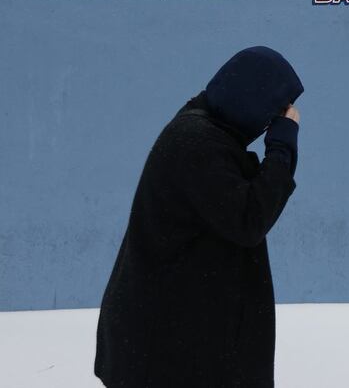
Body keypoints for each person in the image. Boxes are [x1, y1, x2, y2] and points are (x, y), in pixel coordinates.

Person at [94, 46, 303, 388]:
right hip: (166, 352)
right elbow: (250, 218)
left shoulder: (204, 131)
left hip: (172, 343)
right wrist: (281, 148)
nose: (276, 119)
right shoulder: (197, 142)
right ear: (251, 95)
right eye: (275, 108)